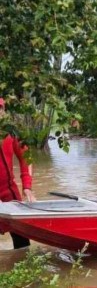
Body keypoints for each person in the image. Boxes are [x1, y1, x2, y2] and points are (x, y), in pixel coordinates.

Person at [0, 97, 36, 249]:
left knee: (23, 242)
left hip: (9, 193)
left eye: (0, 109)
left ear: (4, 111)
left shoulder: (12, 132)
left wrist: (27, 186)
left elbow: (26, 158)